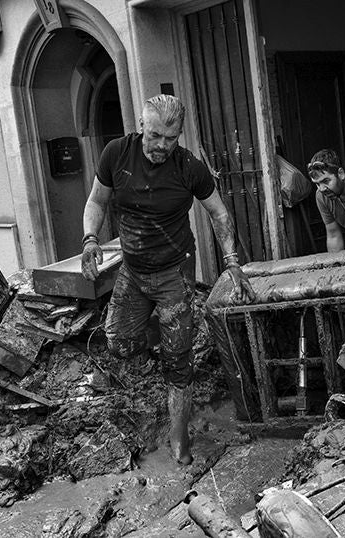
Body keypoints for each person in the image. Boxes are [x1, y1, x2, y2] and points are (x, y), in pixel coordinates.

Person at [80, 94, 256, 465]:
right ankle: (167, 332)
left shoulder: (189, 167)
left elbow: (219, 214)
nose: (162, 145)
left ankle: (180, 438)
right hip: (132, 269)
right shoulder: (116, 154)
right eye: (155, 135)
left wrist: (233, 262)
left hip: (174, 271)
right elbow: (96, 201)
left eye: (170, 138)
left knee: (178, 363)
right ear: (142, 126)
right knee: (119, 343)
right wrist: (91, 239)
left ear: (180, 134)